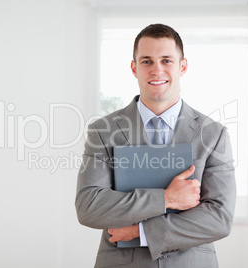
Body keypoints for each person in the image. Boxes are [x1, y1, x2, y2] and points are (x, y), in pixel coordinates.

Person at [75, 23, 236, 268]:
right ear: (134, 67)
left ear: (182, 66)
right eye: (147, 61)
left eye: (167, 60)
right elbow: (89, 207)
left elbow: (219, 218)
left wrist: (142, 233)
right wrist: (166, 198)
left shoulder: (213, 134)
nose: (156, 70)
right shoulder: (103, 131)